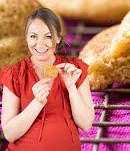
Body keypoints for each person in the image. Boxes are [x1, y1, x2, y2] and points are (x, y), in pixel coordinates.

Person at [0, 8, 95, 151]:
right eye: (33, 36)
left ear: (58, 38)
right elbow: (9, 134)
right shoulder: (14, 74)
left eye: (48, 36)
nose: (40, 43)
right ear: (26, 38)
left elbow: (86, 124)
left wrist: (71, 87)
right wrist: (37, 102)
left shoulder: (75, 69)